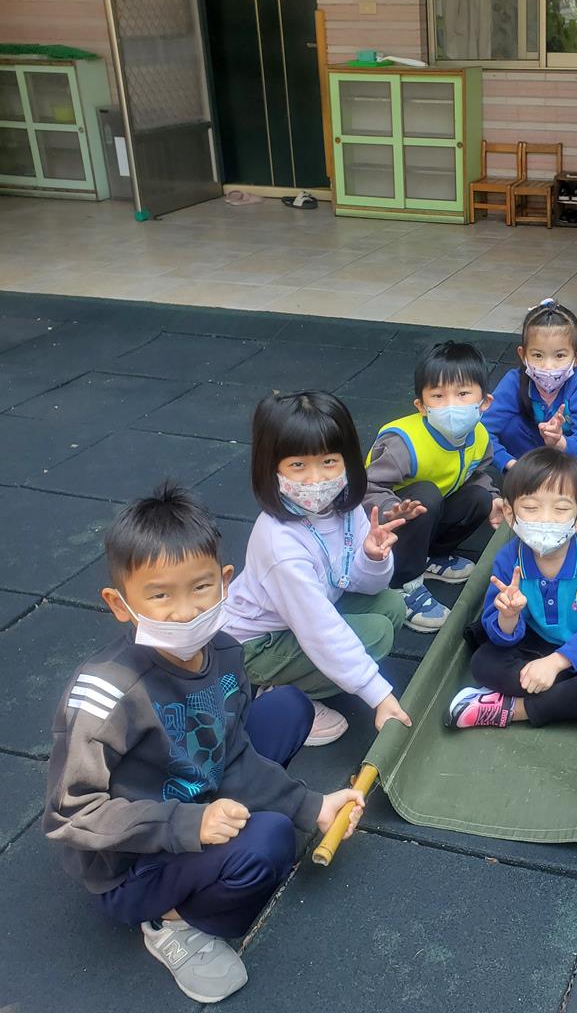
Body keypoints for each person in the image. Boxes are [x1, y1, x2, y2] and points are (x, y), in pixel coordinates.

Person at [43, 485, 367, 1003]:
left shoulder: (224, 650)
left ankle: (227, 828)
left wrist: (313, 806)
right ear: (120, 604)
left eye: (200, 588)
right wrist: (187, 824)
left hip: (194, 784)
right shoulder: (106, 694)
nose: (183, 611)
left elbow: (232, 753)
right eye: (159, 595)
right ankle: (171, 922)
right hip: (133, 866)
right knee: (270, 840)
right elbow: (70, 814)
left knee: (288, 708)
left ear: (224, 582)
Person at [223, 391, 411, 747]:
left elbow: (360, 583)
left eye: (329, 462)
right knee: (374, 634)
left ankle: (312, 676)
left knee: (391, 605)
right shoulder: (280, 544)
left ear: (347, 461)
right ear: (272, 468)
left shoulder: (344, 508)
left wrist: (372, 558)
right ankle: (279, 694)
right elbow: (318, 628)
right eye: (298, 465)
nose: (315, 479)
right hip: (254, 646)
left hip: (296, 620)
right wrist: (379, 695)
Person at [445, 447, 577, 737]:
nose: (545, 519)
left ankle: (511, 709)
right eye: (531, 508)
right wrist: (508, 617)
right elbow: (497, 632)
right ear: (510, 514)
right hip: (534, 642)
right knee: (484, 663)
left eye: (560, 509)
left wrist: (555, 663)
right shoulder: (508, 559)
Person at [364, 340, 504, 633]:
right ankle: (402, 582)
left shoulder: (479, 435)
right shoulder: (403, 443)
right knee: (426, 493)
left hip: (427, 516)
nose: (452, 405)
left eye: (463, 394)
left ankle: (431, 557)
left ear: (484, 402)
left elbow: (476, 473)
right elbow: (367, 486)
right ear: (422, 406)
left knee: (479, 497)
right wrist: (392, 508)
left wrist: (492, 497)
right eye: (438, 396)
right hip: (387, 525)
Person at [482, 298, 577, 534]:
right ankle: (533, 478)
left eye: (559, 355)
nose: (548, 366)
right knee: (509, 425)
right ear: (523, 354)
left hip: (576, 446)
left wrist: (561, 442)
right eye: (537, 355)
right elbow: (483, 432)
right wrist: (509, 463)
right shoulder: (515, 381)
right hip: (538, 444)